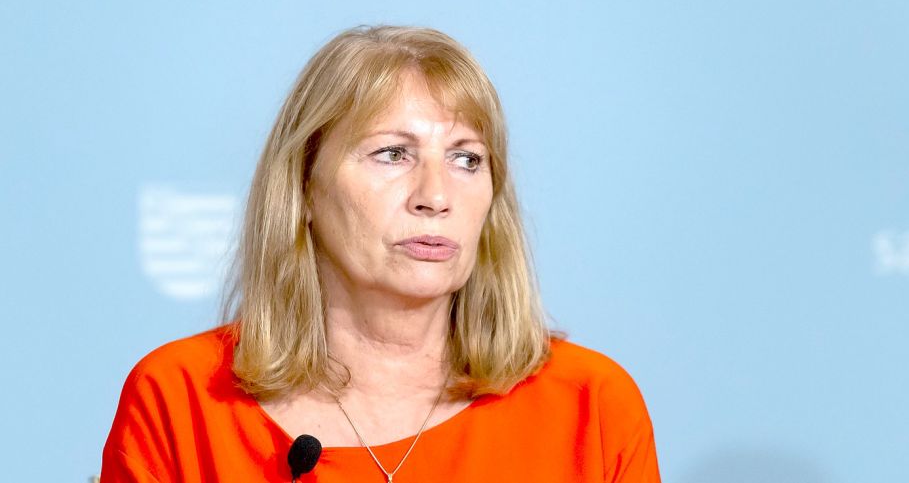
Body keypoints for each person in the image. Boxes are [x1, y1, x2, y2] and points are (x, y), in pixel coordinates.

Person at [101, 25, 660, 482]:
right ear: (303, 189)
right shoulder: (181, 398)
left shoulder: (590, 406)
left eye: (467, 160)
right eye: (393, 154)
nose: (436, 197)